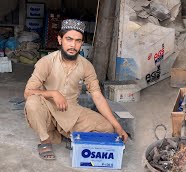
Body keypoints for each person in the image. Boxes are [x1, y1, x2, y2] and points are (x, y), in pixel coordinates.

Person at [24, 19, 128, 160]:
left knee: (107, 128)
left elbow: (97, 96)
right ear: (60, 40)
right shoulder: (46, 62)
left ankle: (65, 133)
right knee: (32, 102)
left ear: (81, 43)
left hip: (71, 111)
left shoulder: (86, 66)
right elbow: (28, 92)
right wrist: (53, 93)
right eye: (69, 39)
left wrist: (118, 127)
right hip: (47, 110)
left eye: (78, 41)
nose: (73, 45)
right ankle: (45, 141)